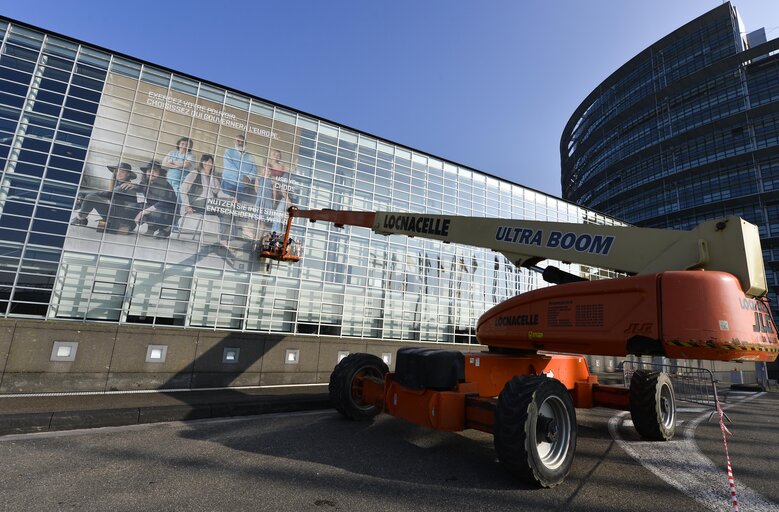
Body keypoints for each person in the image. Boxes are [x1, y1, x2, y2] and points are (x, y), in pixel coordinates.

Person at [70, 162, 139, 234]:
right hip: (115, 214)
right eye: (118, 171)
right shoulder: (118, 184)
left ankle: (80, 218)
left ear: (128, 174)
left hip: (123, 221)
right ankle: (81, 218)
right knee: (90, 197)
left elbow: (107, 194)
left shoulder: (126, 186)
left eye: (122, 172)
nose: (119, 173)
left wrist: (82, 195)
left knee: (90, 197)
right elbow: (107, 196)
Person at [179, 153, 232, 244]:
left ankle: (224, 241)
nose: (208, 164)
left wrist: (231, 198)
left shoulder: (214, 178)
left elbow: (219, 193)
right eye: (205, 161)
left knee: (228, 211)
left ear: (212, 164)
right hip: (197, 203)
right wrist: (186, 205)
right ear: (202, 163)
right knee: (219, 204)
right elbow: (183, 189)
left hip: (211, 205)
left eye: (210, 162)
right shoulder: (195, 173)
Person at [134, 160, 177, 239]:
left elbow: (163, 203)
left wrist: (143, 212)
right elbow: (140, 197)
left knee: (155, 211)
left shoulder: (164, 184)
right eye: (150, 171)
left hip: (168, 211)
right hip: (153, 207)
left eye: (155, 171)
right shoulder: (144, 183)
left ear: (160, 173)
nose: (152, 173)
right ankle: (151, 227)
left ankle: (165, 228)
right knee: (136, 206)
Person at [260, 148, 294, 231]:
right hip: (269, 193)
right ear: (271, 156)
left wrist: (287, 199)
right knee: (263, 217)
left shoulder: (282, 167)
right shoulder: (268, 165)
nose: (276, 157)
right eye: (274, 155)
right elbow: (262, 177)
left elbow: (290, 172)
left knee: (278, 216)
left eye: (278, 155)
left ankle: (274, 234)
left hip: (281, 193)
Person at [222, 134, 257, 204]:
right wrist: (244, 177)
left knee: (243, 208)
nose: (240, 143)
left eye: (243, 142)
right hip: (229, 185)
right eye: (238, 141)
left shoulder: (250, 156)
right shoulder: (228, 152)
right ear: (234, 141)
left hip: (243, 187)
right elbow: (231, 168)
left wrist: (249, 177)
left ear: (245, 144)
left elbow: (254, 169)